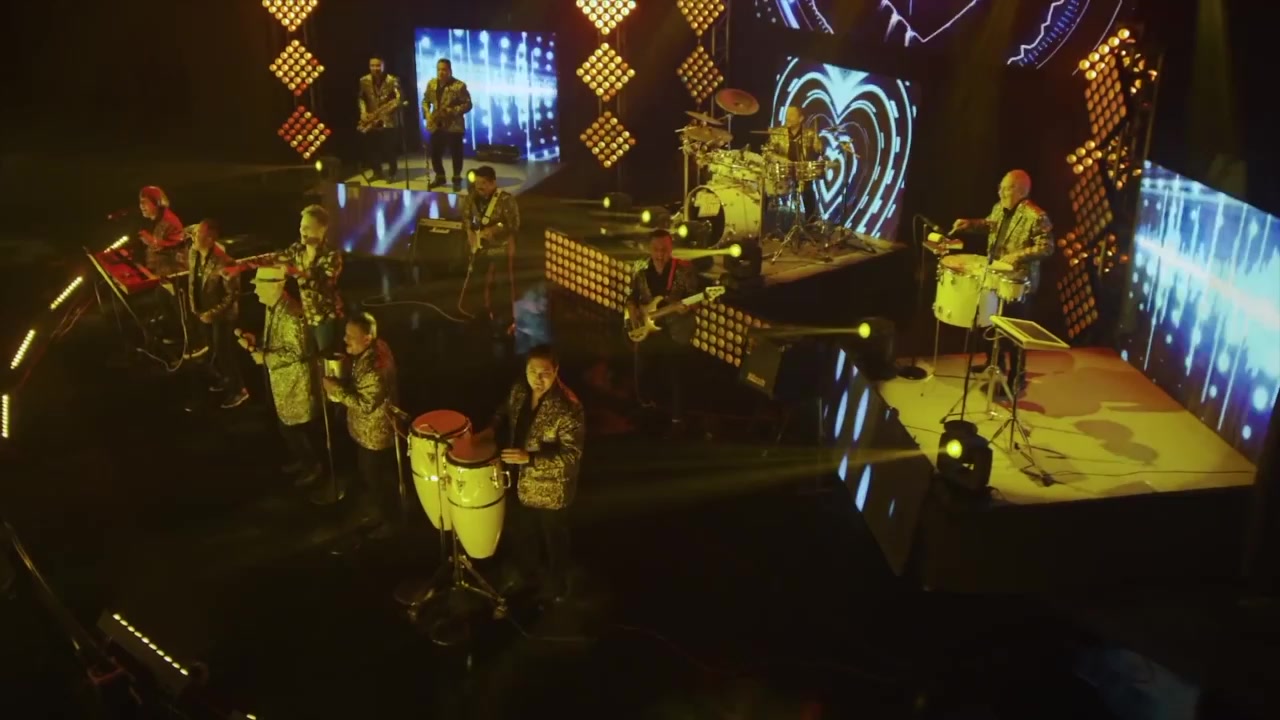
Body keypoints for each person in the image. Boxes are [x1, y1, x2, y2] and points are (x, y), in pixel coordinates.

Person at [478, 345, 584, 603]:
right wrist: (492, 427)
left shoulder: (568, 407)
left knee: (554, 539)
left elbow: (571, 456)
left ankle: (558, 585)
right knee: (523, 531)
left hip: (551, 490)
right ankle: (526, 572)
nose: (537, 378)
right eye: (532, 371)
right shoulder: (520, 389)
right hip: (519, 480)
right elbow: (505, 409)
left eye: (544, 373)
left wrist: (531, 458)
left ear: (556, 371)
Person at [949, 169, 1055, 395]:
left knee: (1014, 329)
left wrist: (1018, 255)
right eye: (1001, 187)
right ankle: (994, 363)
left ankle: (1018, 375)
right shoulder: (999, 207)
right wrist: (969, 224)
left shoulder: (1036, 216)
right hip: (995, 275)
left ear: (1021, 191)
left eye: (1006, 188)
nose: (1001, 192)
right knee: (990, 321)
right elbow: (990, 224)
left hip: (1019, 281)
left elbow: (1047, 247)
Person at [239, 266, 322, 487]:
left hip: (294, 381)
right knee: (287, 426)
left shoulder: (291, 314)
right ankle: (303, 461)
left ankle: (313, 466)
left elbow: (298, 351)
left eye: (259, 286)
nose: (255, 291)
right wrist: (257, 341)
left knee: (295, 429)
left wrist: (265, 358)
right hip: (282, 379)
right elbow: (278, 340)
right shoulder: (274, 306)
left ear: (276, 286)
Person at [322, 313, 399, 535]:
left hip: (375, 435)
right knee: (370, 475)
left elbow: (365, 404)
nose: (345, 340)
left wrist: (336, 390)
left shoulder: (375, 368)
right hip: (366, 430)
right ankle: (377, 511)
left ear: (367, 338)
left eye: (350, 336)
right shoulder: (372, 349)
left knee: (376, 479)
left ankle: (389, 522)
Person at [626, 230, 701, 433]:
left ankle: (677, 420)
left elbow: (695, 299)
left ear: (671, 249)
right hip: (648, 328)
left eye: (664, 250)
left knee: (676, 375)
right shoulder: (640, 267)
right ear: (649, 249)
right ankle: (646, 407)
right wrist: (632, 309)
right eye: (656, 249)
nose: (660, 254)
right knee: (641, 371)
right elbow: (632, 296)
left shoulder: (684, 270)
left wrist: (687, 307)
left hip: (675, 330)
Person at [189, 219, 248, 409]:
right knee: (214, 349)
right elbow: (193, 281)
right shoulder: (194, 253)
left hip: (222, 316)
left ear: (210, 239)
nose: (192, 236)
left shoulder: (224, 261)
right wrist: (195, 307)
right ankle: (226, 380)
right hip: (204, 311)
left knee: (225, 353)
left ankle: (239, 390)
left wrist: (212, 314)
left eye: (197, 233)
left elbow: (232, 295)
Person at [273, 205, 345, 354]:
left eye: (307, 227)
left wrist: (295, 273)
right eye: (301, 227)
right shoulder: (297, 249)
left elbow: (320, 284)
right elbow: (273, 259)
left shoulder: (331, 255)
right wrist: (237, 266)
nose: (302, 231)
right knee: (309, 362)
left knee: (326, 361)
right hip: (307, 318)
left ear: (322, 229)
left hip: (326, 320)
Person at [461, 165, 520, 332]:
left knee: (502, 283)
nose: (479, 187)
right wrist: (469, 232)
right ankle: (481, 314)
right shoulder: (472, 198)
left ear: (493, 183)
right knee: (478, 281)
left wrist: (494, 229)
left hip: (501, 247)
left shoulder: (506, 200)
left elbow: (514, 225)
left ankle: (506, 320)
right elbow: (466, 217)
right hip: (480, 247)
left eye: (483, 183)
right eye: (477, 183)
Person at [137, 186, 187, 345]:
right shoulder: (157, 221)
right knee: (163, 301)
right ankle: (179, 338)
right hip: (164, 275)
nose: (141, 206)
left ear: (157, 202)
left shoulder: (169, 221)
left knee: (178, 309)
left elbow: (175, 244)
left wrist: (152, 241)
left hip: (174, 274)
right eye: (140, 203)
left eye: (144, 202)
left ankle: (191, 341)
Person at [421, 58, 473, 191]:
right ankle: (440, 177)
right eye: (438, 69)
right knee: (435, 152)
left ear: (450, 70)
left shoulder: (459, 85)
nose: (441, 72)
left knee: (456, 154)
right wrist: (427, 113)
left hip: (454, 125)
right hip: (437, 124)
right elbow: (425, 101)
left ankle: (456, 179)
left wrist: (451, 111)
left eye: (444, 69)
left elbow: (468, 104)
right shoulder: (432, 84)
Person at [357, 56, 404, 180]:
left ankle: (392, 173)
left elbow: (399, 98)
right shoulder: (364, 80)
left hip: (388, 119)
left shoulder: (392, 80)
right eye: (372, 66)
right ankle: (377, 172)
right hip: (372, 118)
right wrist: (363, 112)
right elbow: (361, 98)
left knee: (389, 149)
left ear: (383, 66)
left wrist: (386, 111)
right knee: (372, 148)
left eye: (378, 65)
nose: (375, 68)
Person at [774, 105, 823, 221]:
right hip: (783, 170)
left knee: (808, 191)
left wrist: (819, 147)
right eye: (787, 115)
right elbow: (769, 152)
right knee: (769, 190)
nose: (788, 118)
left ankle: (810, 222)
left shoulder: (809, 134)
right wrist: (781, 159)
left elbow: (819, 152)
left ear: (800, 118)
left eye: (791, 115)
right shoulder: (777, 133)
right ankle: (772, 221)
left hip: (802, 171)